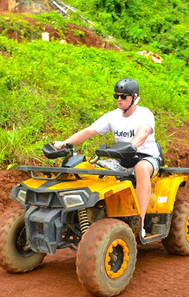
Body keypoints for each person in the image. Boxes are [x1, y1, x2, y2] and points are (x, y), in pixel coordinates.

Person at [53, 78, 160, 235]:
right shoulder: (113, 116)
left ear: (134, 97)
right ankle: (91, 216)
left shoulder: (144, 114)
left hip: (146, 158)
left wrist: (133, 146)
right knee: (92, 168)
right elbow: (89, 131)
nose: (119, 100)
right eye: (116, 96)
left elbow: (143, 132)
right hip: (121, 159)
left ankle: (140, 224)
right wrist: (65, 143)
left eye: (123, 96)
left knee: (141, 168)